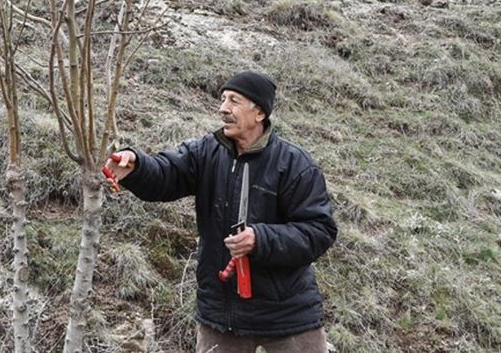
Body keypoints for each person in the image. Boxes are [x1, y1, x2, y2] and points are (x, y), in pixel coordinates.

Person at [105, 71, 338, 353]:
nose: (223, 108)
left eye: (234, 101)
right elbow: (166, 174)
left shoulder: (295, 164)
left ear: (260, 112)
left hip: (287, 314)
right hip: (221, 313)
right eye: (223, 99)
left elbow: (318, 230)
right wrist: (135, 166)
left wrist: (261, 239)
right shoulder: (206, 151)